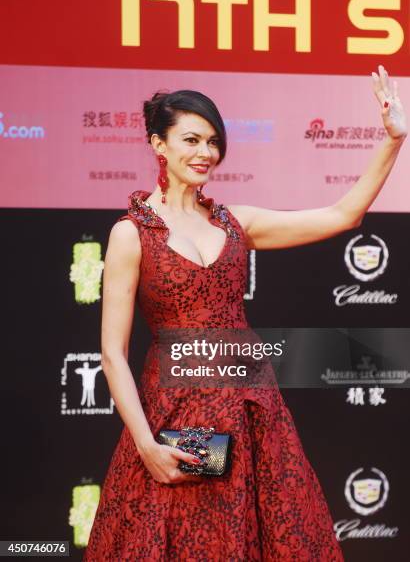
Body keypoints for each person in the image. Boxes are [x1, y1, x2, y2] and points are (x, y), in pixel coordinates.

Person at [83, 65, 406, 561]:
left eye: (213, 141)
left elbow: (344, 215)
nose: (205, 153)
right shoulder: (132, 233)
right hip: (177, 415)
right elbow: (112, 353)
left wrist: (392, 140)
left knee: (259, 538)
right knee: (181, 539)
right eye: (190, 139)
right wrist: (146, 445)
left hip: (252, 412)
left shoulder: (237, 223)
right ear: (158, 144)